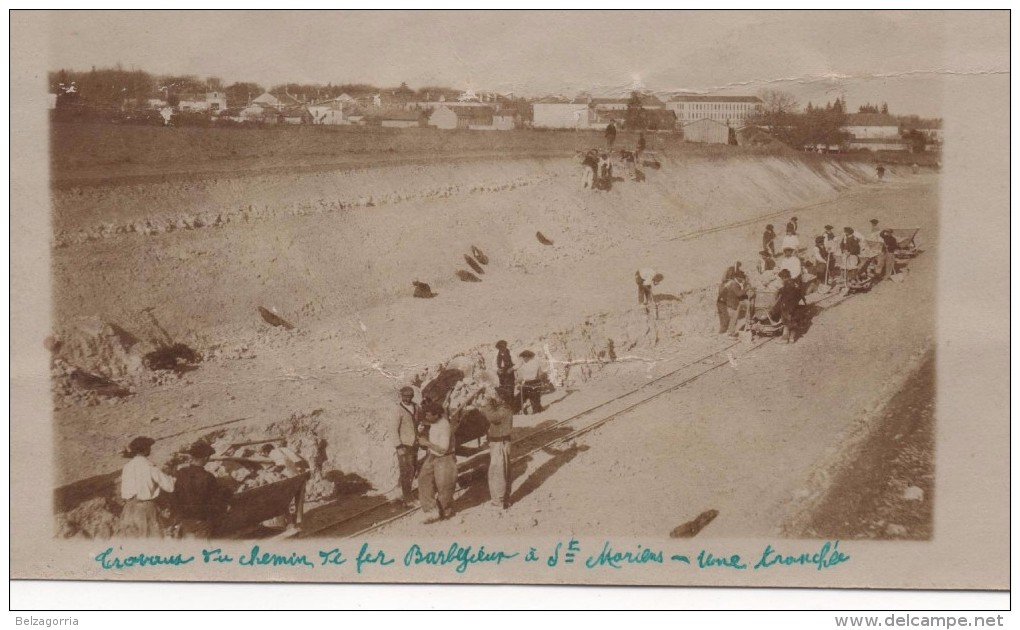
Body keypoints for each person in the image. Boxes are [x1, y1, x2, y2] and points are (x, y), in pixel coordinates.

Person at [118, 436, 175, 538]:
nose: (150, 450)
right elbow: (169, 486)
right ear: (145, 450)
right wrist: (172, 477)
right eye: (149, 447)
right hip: (144, 509)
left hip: (128, 509)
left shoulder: (127, 467)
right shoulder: (149, 466)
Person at [173, 441, 229, 539]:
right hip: (201, 520)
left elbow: (175, 495)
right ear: (206, 458)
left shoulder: (181, 473)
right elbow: (215, 500)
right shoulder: (208, 477)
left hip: (185, 520)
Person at [416, 400, 457, 523]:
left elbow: (443, 449)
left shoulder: (444, 426)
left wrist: (426, 443)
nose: (426, 417)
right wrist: (421, 431)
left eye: (429, 415)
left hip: (445, 458)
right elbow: (432, 434)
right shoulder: (434, 422)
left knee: (444, 486)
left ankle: (446, 511)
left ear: (436, 414)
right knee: (423, 479)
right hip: (433, 456)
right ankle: (431, 511)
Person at [484, 395, 514, 510]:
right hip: (499, 442)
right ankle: (502, 500)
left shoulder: (503, 410)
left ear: (502, 398)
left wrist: (487, 403)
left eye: (496, 396)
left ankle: (499, 502)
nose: (494, 397)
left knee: (498, 472)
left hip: (500, 443)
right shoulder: (503, 408)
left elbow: (492, 417)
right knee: (500, 471)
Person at [394, 386, 420, 507]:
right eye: (405, 396)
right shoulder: (398, 410)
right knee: (406, 471)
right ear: (401, 396)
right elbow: (393, 430)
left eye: (409, 396)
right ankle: (408, 499)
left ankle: (405, 493)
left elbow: (419, 421)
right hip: (404, 445)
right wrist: (399, 446)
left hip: (414, 444)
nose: (407, 399)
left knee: (413, 469)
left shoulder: (416, 407)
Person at [717, 273, 749, 337]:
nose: (743, 281)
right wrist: (746, 289)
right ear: (738, 278)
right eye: (742, 279)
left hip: (731, 303)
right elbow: (739, 294)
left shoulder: (735, 283)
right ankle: (730, 333)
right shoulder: (734, 284)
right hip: (732, 304)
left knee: (733, 319)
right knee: (733, 318)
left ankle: (730, 332)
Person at [515, 350, 546, 414]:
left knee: (534, 399)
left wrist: (520, 380)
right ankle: (517, 410)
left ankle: (537, 409)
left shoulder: (534, 364)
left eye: (525, 357)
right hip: (527, 383)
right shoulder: (524, 364)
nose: (524, 359)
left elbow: (532, 376)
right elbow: (522, 375)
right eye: (523, 357)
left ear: (529, 357)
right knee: (519, 397)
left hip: (534, 383)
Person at [775, 270, 801, 343]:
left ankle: (784, 339)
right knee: (793, 321)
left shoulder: (787, 283)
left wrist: (779, 291)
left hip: (787, 306)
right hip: (794, 306)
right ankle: (792, 338)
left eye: (781, 278)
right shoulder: (794, 282)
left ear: (784, 277)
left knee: (786, 322)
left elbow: (786, 293)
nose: (781, 279)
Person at [495, 340, 515, 405]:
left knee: (510, 391)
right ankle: (505, 406)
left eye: (503, 347)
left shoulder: (511, 353)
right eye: (500, 348)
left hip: (509, 375)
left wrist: (512, 368)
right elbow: (493, 365)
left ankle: (512, 407)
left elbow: (518, 363)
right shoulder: (496, 355)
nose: (502, 349)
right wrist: (497, 369)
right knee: (502, 391)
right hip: (501, 376)